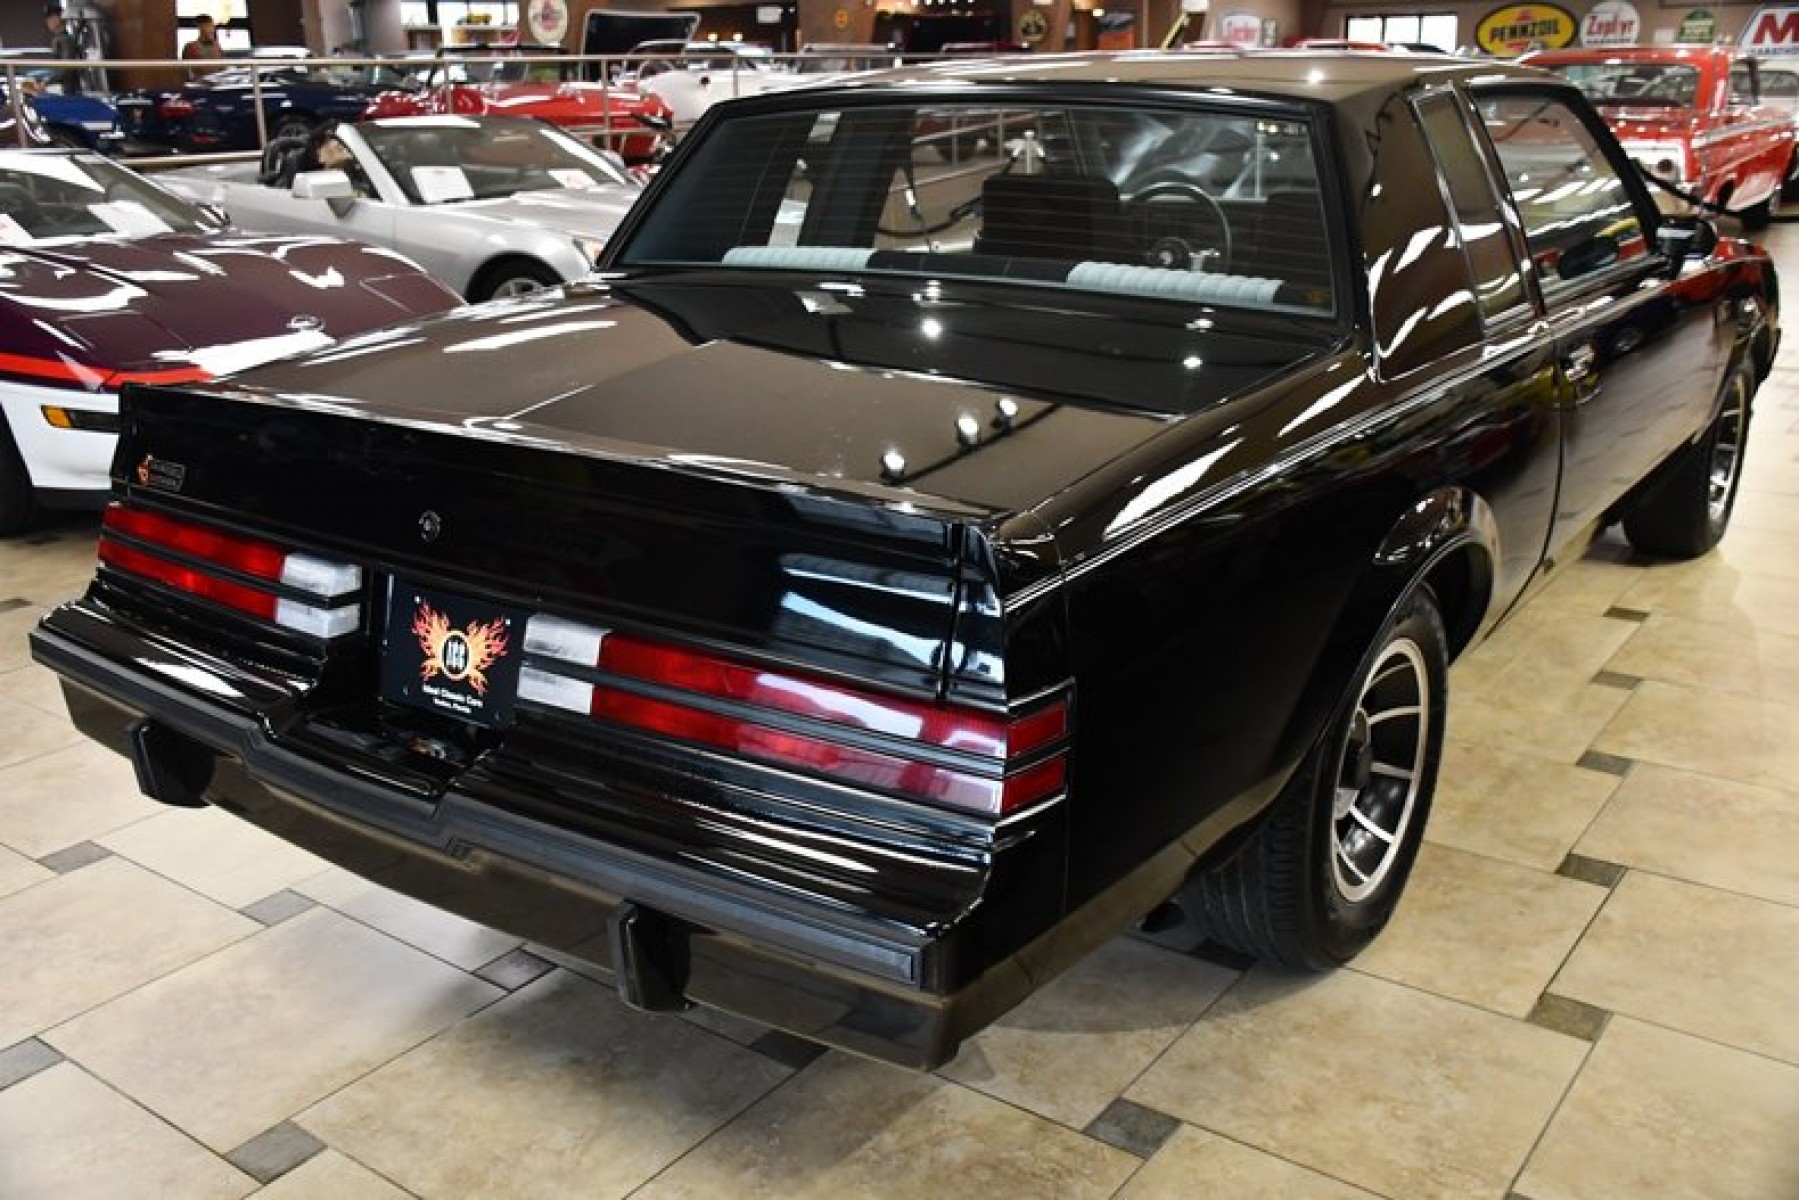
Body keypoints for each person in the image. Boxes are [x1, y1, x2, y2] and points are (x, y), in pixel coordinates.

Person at [44, 4, 83, 96]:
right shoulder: (62, 39)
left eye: (50, 18)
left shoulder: (64, 40)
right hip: (67, 88)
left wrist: (47, 82)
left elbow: (66, 67)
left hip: (70, 89)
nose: (48, 22)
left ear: (59, 18)